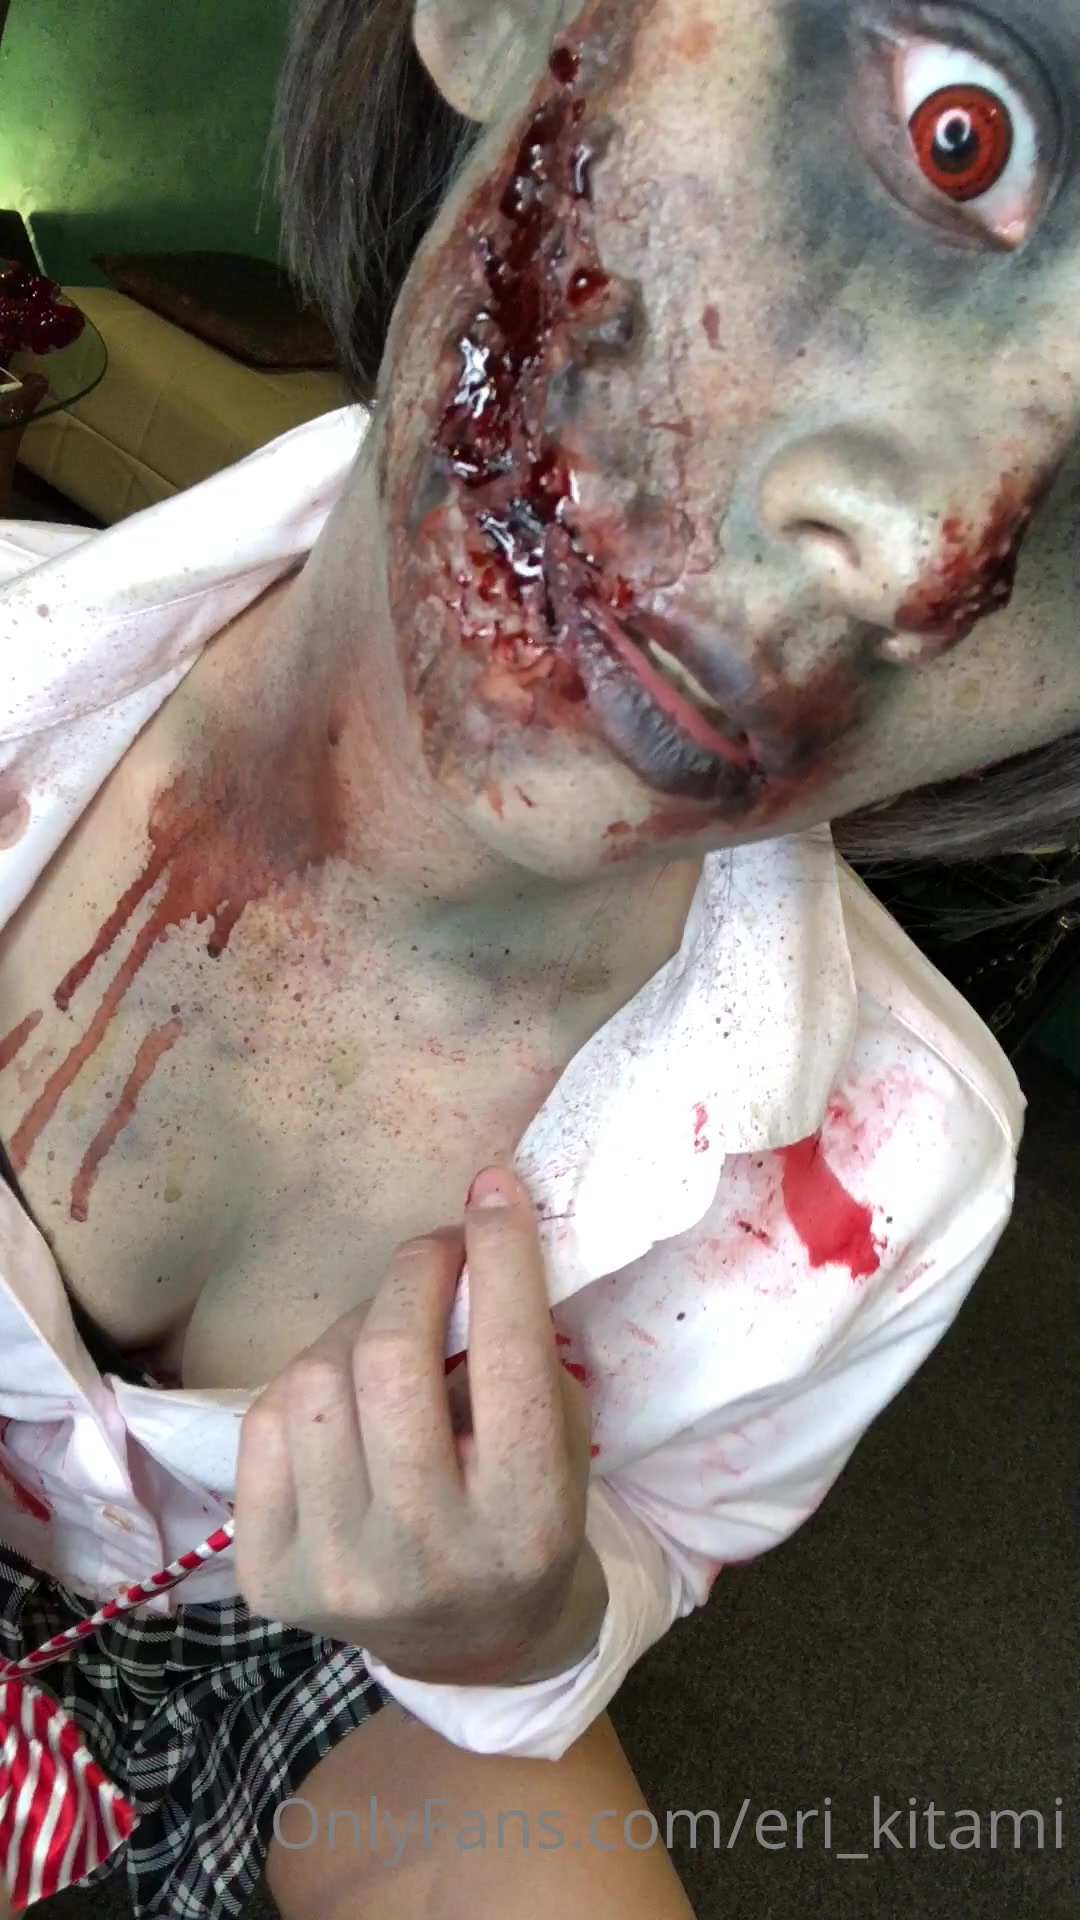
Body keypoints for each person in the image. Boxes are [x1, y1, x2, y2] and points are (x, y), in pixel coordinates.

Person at [1, 0, 1077, 1913]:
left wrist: (519, 1620)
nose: (918, 552)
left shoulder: (891, 1187)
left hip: (304, 1658)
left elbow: (643, 1555)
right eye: (960, 135)